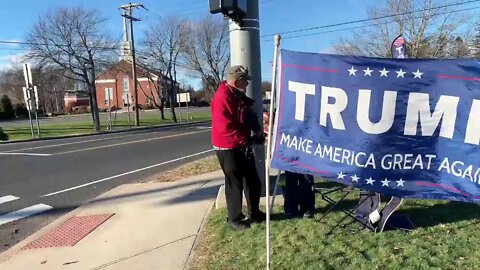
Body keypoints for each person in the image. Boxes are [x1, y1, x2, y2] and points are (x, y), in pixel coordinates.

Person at [211, 65, 266, 230]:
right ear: (236, 81)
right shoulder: (222, 98)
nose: (248, 84)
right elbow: (225, 129)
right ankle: (234, 219)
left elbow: (247, 114)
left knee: (253, 180)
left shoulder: (237, 94)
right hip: (227, 147)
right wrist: (247, 140)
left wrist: (256, 128)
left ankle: (254, 212)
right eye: (245, 81)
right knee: (234, 183)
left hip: (241, 145)